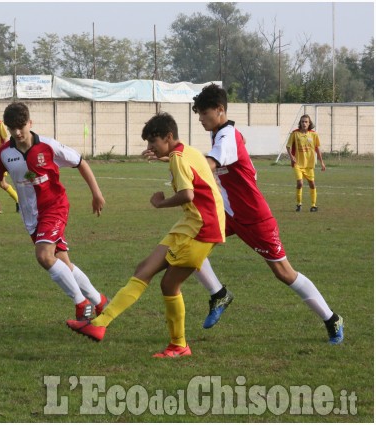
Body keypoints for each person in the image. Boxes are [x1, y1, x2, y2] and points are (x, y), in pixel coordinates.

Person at [189, 84, 343, 344]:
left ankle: (332, 318)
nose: (201, 119)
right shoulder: (221, 133)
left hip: (255, 217)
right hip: (229, 213)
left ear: (220, 110)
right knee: (189, 245)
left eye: (204, 114)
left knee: (284, 273)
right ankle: (219, 294)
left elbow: (209, 165)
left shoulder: (227, 137)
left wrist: (178, 163)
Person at [67, 112, 225, 358]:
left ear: (168, 137)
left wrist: (160, 203)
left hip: (202, 228)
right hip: (191, 223)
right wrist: (162, 157)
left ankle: (179, 346)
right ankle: (99, 324)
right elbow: (187, 168)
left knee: (169, 284)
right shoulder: (186, 151)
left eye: (153, 142)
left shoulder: (178, 160)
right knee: (144, 268)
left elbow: (187, 195)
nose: (150, 147)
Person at [0, 102, 108, 320]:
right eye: (12, 128)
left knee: (44, 256)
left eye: (21, 126)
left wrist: (96, 194)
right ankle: (100, 302)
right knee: (63, 263)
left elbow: (80, 162)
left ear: (30, 123)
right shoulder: (5, 152)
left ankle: (82, 305)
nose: (17, 132)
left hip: (54, 207)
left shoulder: (49, 146)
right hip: (31, 216)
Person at [286, 114, 326, 212]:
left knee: (312, 184)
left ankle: (313, 205)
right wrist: (292, 157)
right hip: (298, 164)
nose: (304, 123)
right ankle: (299, 204)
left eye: (306, 122)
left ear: (309, 123)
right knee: (300, 183)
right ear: (300, 123)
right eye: (302, 121)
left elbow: (317, 149)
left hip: (309, 165)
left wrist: (322, 162)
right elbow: (288, 147)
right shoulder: (295, 134)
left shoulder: (314, 134)